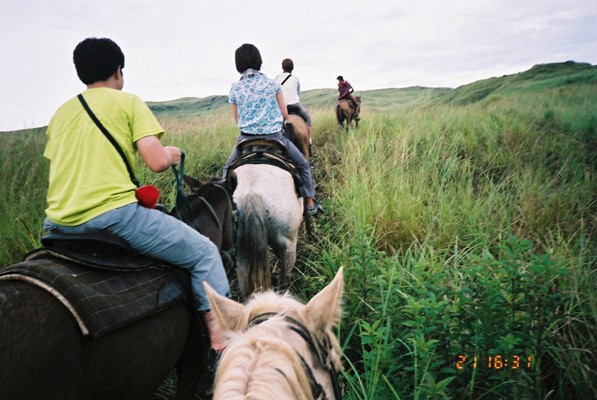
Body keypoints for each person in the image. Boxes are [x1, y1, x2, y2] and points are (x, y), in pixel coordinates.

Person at [43, 37, 229, 353]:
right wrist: (171, 153)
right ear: (118, 71)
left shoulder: (60, 114)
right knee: (205, 253)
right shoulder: (128, 102)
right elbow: (156, 162)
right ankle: (221, 339)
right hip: (113, 218)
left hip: (56, 225)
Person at [222, 43, 322, 216]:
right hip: (275, 137)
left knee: (226, 170)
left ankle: (225, 209)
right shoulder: (272, 85)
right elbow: (284, 114)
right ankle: (310, 203)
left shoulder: (234, 89)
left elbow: (237, 119)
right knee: (303, 165)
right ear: (259, 61)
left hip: (245, 140)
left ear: (238, 65)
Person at [274, 58, 313, 147]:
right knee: (308, 118)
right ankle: (310, 140)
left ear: (282, 67)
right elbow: (298, 93)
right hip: (295, 105)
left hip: (281, 106)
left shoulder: (277, 78)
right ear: (292, 68)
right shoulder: (295, 79)